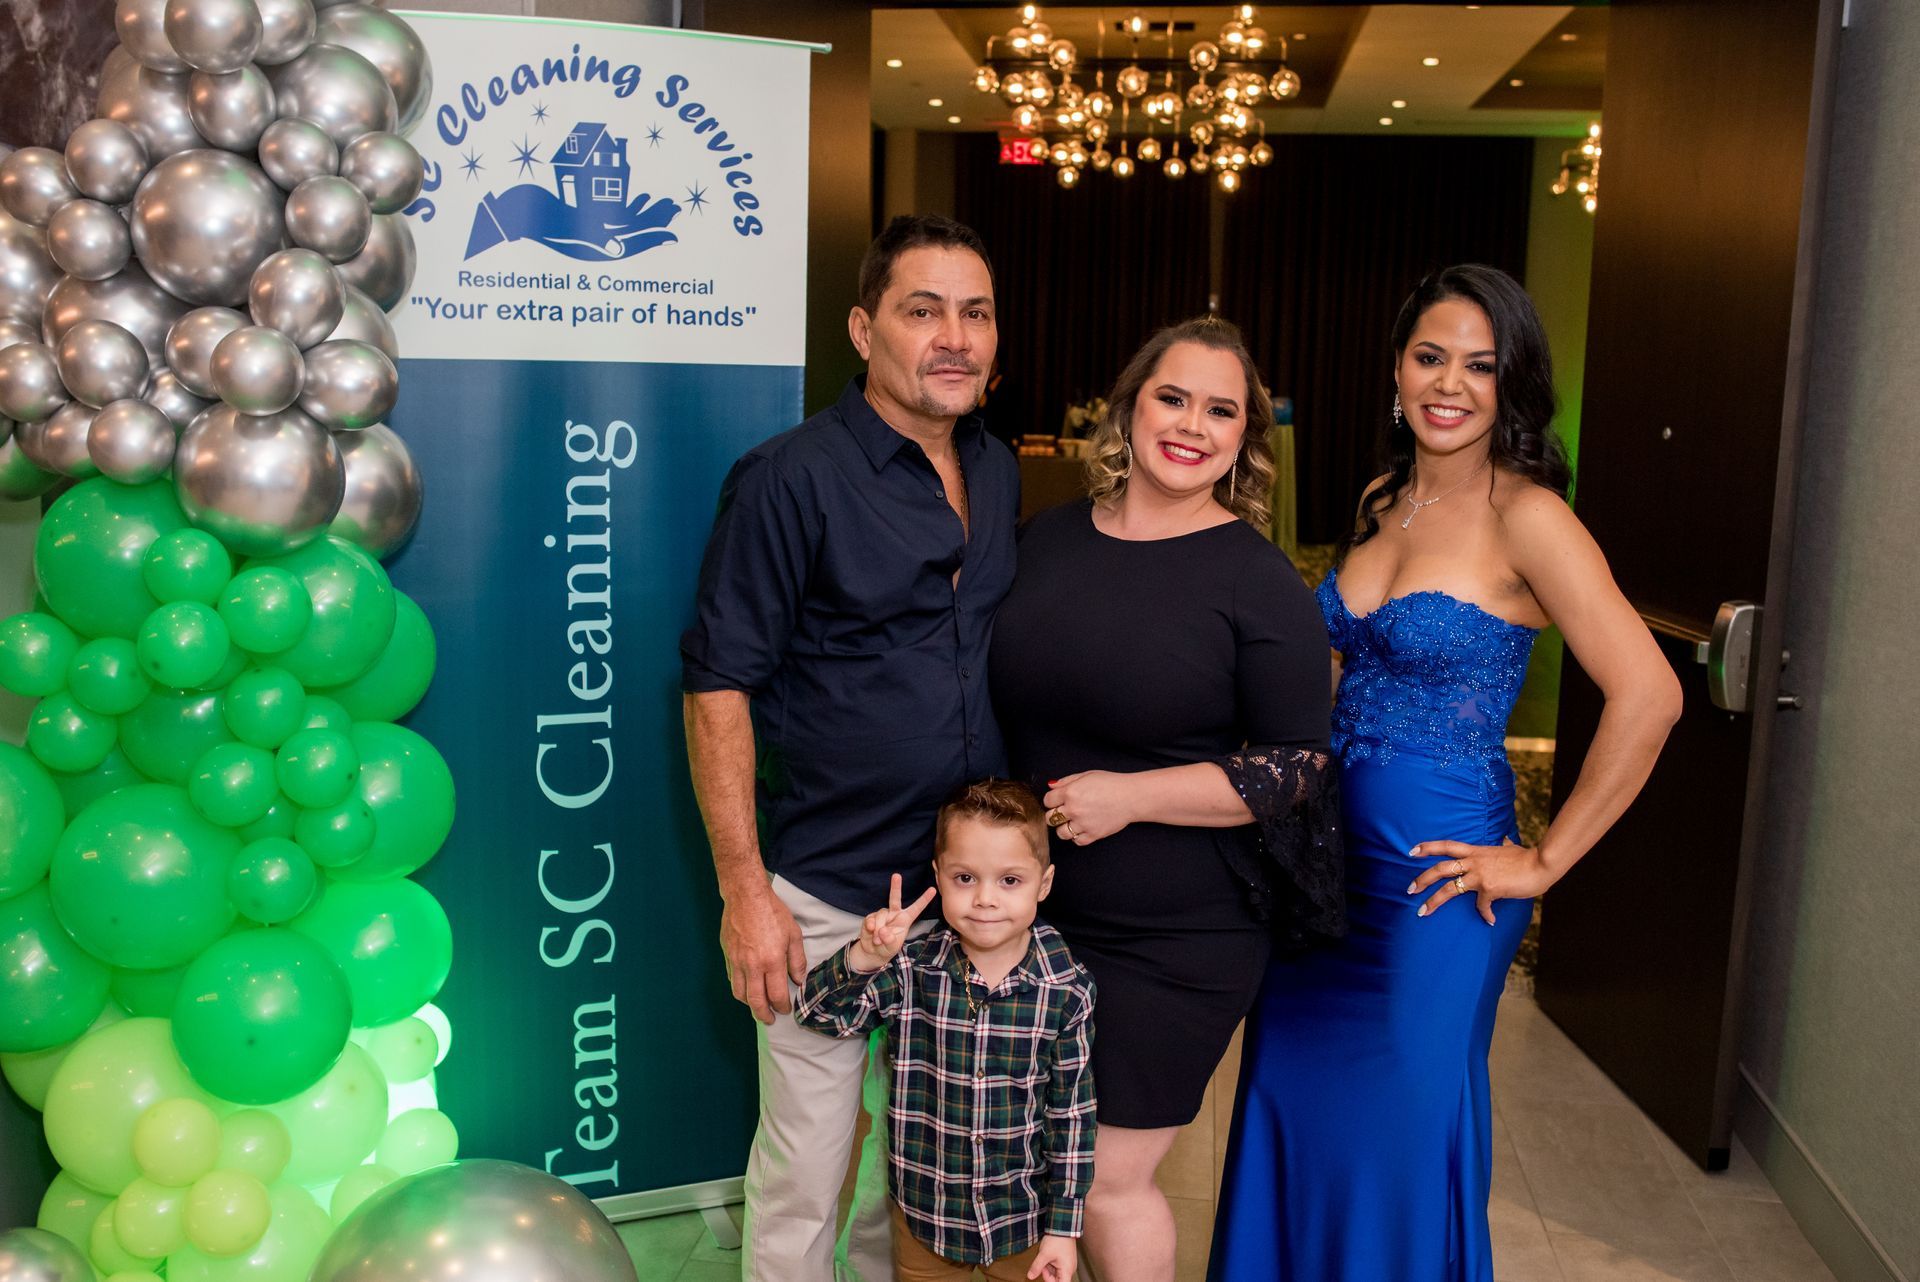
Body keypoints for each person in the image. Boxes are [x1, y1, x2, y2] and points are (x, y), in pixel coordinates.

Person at [1209, 264, 1684, 1281]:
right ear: (1397, 368)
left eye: (1481, 364)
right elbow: (1339, 670)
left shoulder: (1530, 518)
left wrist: (1544, 861)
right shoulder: (1384, 498)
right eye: (1431, 357)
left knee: (1400, 1138)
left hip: (1436, 878)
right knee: (1290, 1100)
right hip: (1327, 869)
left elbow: (1650, 695)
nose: (1450, 384)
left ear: (1513, 383)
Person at [680, 214, 1017, 1282]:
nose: (954, 337)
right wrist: (746, 893)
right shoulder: (789, 478)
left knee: (907, 1174)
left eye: (975, 313)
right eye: (924, 311)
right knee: (807, 1174)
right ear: (865, 330)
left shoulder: (998, 470)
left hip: (962, 899)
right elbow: (717, 684)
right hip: (825, 891)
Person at [988, 315, 1344, 1282]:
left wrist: (1131, 797)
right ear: (1128, 409)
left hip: (1178, 935)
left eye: (1220, 411)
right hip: (1030, 916)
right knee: (1032, 1164)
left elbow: (1296, 769)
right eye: (1172, 398)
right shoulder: (1048, 537)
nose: (1191, 425)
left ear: (1245, 439)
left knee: (1104, 1180)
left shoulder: (1259, 584)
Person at [796, 779, 1095, 1282]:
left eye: (1010, 880)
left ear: (1043, 884)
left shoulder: (1067, 989)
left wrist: (1064, 1229)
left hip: (1023, 1220)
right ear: (937, 875)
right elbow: (817, 1014)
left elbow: (1072, 1118)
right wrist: (865, 957)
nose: (985, 900)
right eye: (964, 877)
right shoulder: (910, 968)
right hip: (927, 1216)